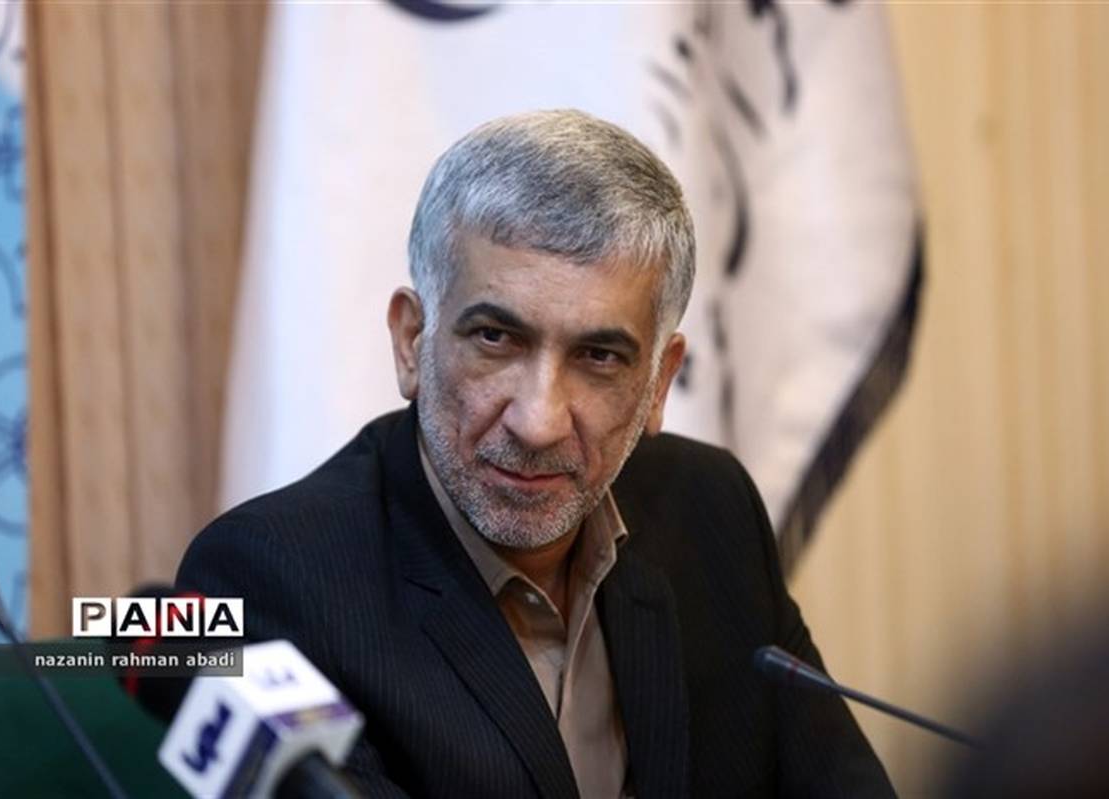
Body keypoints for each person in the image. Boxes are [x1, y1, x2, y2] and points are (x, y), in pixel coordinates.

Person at [177, 110, 894, 798]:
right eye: (495, 338)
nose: (538, 422)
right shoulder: (262, 578)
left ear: (659, 381)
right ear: (411, 341)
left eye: (599, 356)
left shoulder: (711, 508)